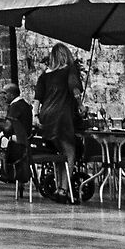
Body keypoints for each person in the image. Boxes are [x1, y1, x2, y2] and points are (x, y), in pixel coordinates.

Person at [33, 46, 85, 175]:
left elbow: (37, 98)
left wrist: (35, 115)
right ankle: (64, 188)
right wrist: (80, 105)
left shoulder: (45, 75)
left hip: (46, 115)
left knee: (59, 152)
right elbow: (75, 89)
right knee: (70, 151)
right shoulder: (70, 69)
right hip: (62, 115)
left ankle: (58, 186)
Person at [2, 82, 35, 200]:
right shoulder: (24, 105)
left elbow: (7, 128)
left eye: (5, 93)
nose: (3, 96)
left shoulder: (15, 107)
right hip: (26, 140)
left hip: (17, 141)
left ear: (11, 94)